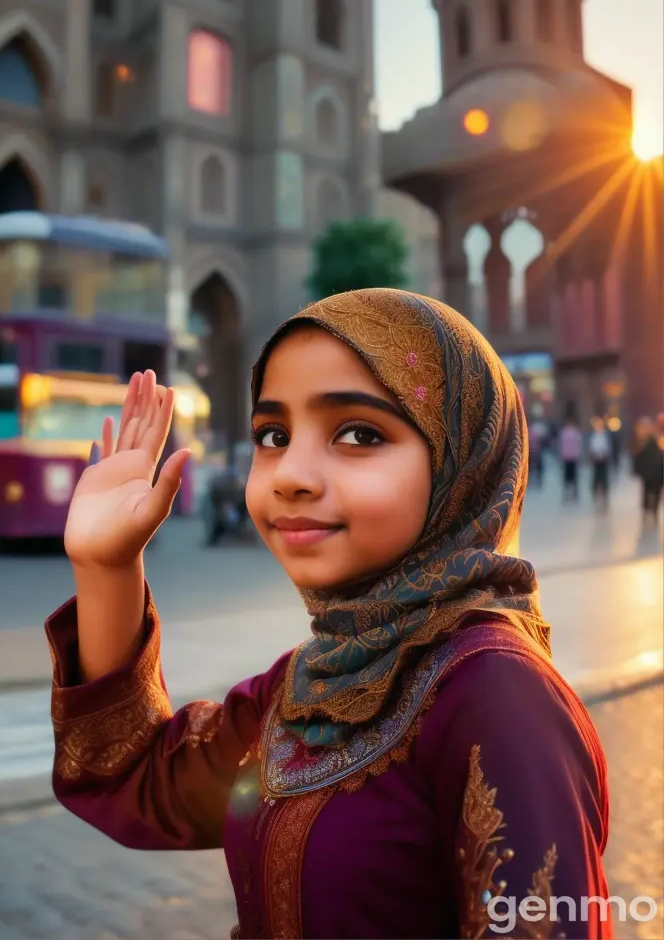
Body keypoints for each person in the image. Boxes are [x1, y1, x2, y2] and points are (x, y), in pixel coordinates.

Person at [46, 290, 611, 940]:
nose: (290, 474)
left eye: (358, 434)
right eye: (273, 435)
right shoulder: (309, 687)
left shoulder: (496, 694)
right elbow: (134, 778)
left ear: (463, 461)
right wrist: (107, 568)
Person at [632, 416, 664, 524]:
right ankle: (647, 511)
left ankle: (654, 511)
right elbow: (636, 456)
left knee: (656, 491)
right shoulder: (640, 440)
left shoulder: (656, 437)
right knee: (646, 491)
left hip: (658, 469)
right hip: (647, 471)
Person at [558, 415, 583, 503]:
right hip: (569, 457)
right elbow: (562, 446)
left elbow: (578, 445)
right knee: (569, 477)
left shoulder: (572, 433)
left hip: (571, 457)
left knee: (571, 477)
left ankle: (572, 493)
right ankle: (570, 493)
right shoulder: (567, 433)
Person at [588, 417, 611, 511]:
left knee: (604, 479)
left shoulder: (605, 436)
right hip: (596, 460)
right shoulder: (593, 436)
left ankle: (605, 496)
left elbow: (608, 448)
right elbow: (591, 447)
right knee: (596, 479)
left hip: (603, 460)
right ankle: (596, 495)